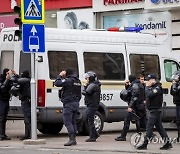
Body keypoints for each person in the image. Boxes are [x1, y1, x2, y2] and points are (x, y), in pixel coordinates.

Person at [137, 74, 172, 150]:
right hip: (154, 110)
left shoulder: (157, 88)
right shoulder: (153, 87)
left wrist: (146, 87)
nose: (148, 81)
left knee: (149, 127)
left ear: (154, 80)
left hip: (155, 110)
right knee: (160, 127)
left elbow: (149, 94)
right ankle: (167, 143)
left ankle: (145, 144)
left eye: (149, 80)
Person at [54, 69, 81, 146]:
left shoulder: (69, 80)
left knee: (67, 122)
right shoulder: (78, 81)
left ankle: (71, 139)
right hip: (76, 103)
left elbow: (57, 83)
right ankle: (74, 139)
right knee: (73, 122)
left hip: (69, 103)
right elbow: (79, 94)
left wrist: (60, 75)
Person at [115, 74, 145, 141]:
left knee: (127, 120)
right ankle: (139, 134)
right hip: (139, 105)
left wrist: (130, 106)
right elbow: (130, 92)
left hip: (134, 106)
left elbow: (134, 97)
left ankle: (123, 136)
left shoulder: (135, 85)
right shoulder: (138, 84)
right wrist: (127, 85)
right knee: (137, 120)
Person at [11, 70, 31, 140]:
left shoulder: (26, 81)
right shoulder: (28, 80)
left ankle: (28, 135)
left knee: (27, 118)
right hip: (27, 101)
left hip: (26, 101)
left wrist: (12, 76)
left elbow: (16, 80)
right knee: (28, 118)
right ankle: (29, 134)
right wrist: (16, 74)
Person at [82, 71, 101, 142]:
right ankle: (95, 134)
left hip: (92, 104)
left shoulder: (92, 85)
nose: (86, 80)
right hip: (93, 104)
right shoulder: (95, 84)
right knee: (89, 119)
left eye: (87, 78)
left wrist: (84, 86)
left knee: (90, 120)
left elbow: (86, 92)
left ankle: (92, 137)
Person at [0, 68, 15, 141]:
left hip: (6, 100)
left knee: (4, 118)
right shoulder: (1, 79)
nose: (9, 75)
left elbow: (16, 82)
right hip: (1, 100)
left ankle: (3, 134)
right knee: (1, 118)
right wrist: (6, 80)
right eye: (8, 73)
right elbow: (2, 89)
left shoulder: (9, 80)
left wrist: (15, 75)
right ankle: (0, 134)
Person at [170, 70, 180, 142]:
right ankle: (179, 137)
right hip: (177, 104)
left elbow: (175, 91)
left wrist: (174, 85)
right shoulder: (176, 84)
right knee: (178, 121)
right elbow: (172, 92)